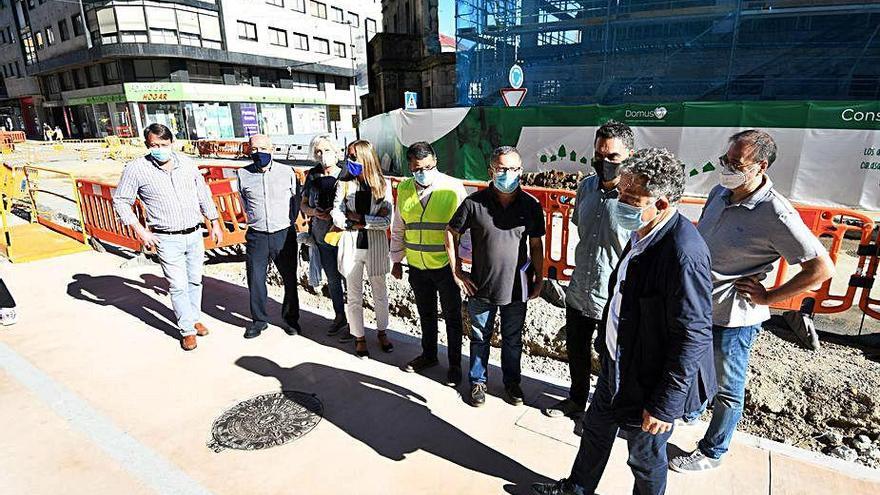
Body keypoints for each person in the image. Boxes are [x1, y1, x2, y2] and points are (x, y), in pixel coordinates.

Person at [532, 148, 716, 495]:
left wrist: (664, 405)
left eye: (632, 197)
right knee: (596, 431)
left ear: (661, 204)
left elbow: (693, 335)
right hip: (619, 364)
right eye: (621, 192)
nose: (621, 202)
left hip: (651, 380)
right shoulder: (643, 233)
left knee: (644, 458)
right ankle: (577, 489)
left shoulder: (682, 254)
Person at [669, 130, 834, 473]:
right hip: (700, 306)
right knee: (695, 366)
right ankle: (691, 412)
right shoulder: (720, 192)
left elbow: (821, 268)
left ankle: (713, 451)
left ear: (760, 165)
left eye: (736, 163)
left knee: (729, 388)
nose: (727, 168)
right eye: (725, 160)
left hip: (735, 316)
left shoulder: (776, 213)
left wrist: (771, 297)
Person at [543, 121, 634, 419]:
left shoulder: (635, 198)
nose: (603, 162)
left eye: (612, 157)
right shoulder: (585, 188)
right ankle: (576, 400)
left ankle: (604, 413)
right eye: (598, 155)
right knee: (577, 351)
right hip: (580, 289)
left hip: (614, 298)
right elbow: (581, 232)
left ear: (629, 155)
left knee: (612, 360)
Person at [446, 146, 545, 407]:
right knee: (480, 338)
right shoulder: (474, 203)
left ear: (521, 171)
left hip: (518, 287)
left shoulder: (531, 205)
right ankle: (478, 381)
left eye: (514, 169)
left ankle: (512, 383)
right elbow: (451, 232)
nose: (508, 174)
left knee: (513, 340)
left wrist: (540, 279)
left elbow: (536, 245)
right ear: (491, 170)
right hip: (480, 286)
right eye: (502, 168)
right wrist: (457, 270)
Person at [112, 123, 223, 351]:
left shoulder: (187, 164)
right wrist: (141, 231)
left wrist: (213, 222)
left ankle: (194, 318)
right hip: (166, 238)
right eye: (155, 145)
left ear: (172, 143)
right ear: (147, 145)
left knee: (195, 281)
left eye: (164, 144)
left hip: (194, 234)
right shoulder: (137, 169)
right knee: (178, 285)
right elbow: (121, 200)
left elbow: (203, 193)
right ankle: (187, 330)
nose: (160, 149)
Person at [392, 142, 468, 386]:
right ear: (410, 167)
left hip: (446, 267)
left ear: (435, 161)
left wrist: (462, 266)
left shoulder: (453, 187)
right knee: (425, 314)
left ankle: (455, 365)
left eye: (427, 166)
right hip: (417, 266)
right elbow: (398, 227)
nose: (423, 172)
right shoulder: (404, 189)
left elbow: (465, 231)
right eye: (417, 168)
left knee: (452, 317)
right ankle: (429, 355)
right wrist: (396, 259)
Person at [330, 139, 394, 359]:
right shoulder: (344, 183)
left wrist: (362, 219)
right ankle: (359, 336)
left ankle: (382, 331)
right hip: (351, 245)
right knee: (354, 294)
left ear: (365, 157)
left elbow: (387, 221)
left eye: (353, 156)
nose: (349, 160)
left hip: (375, 246)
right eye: (348, 156)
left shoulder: (382, 185)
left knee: (380, 294)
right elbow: (337, 214)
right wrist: (351, 222)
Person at [237, 134, 300, 339]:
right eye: (254, 149)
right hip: (257, 235)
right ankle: (259, 320)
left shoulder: (287, 172)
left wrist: (287, 222)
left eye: (263, 148)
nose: (258, 153)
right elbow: (244, 202)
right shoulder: (242, 174)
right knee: (255, 279)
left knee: (289, 278)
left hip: (283, 233)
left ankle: (291, 320)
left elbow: (295, 202)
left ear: (272, 149)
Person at [300, 134, 349, 338]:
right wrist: (314, 212)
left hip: (345, 236)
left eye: (327, 150)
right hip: (322, 236)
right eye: (319, 151)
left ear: (336, 151)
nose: (323, 155)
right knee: (333, 279)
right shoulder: (312, 176)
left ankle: (356, 323)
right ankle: (340, 316)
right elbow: (303, 204)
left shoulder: (346, 174)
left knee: (350, 279)